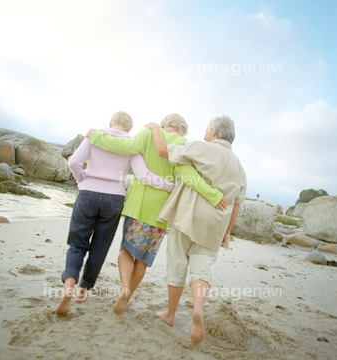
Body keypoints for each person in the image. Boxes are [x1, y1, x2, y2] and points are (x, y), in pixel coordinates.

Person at [86, 114, 227, 316]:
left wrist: (96, 137)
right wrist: (213, 196)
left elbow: (123, 147)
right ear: (179, 128)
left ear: (166, 123)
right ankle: (127, 297)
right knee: (142, 259)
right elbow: (189, 176)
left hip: (138, 204)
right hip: (161, 211)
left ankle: (124, 288)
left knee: (126, 251)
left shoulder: (147, 132)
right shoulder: (181, 143)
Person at [56, 111, 176, 315]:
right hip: (114, 199)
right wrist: (171, 187)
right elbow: (143, 175)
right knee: (99, 248)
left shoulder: (94, 135)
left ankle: (69, 286)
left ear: (111, 123)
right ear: (129, 128)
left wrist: (81, 181)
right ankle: (82, 290)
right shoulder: (132, 143)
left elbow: (74, 163)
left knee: (77, 244)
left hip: (87, 194)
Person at [145, 115, 247, 345]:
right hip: (216, 223)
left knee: (177, 262)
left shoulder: (202, 148)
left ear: (214, 132)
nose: (204, 134)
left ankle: (170, 315)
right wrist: (227, 231)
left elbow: (163, 151)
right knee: (201, 268)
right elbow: (237, 203)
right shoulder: (239, 166)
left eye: (207, 129)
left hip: (188, 216)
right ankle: (197, 310)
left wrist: (153, 128)